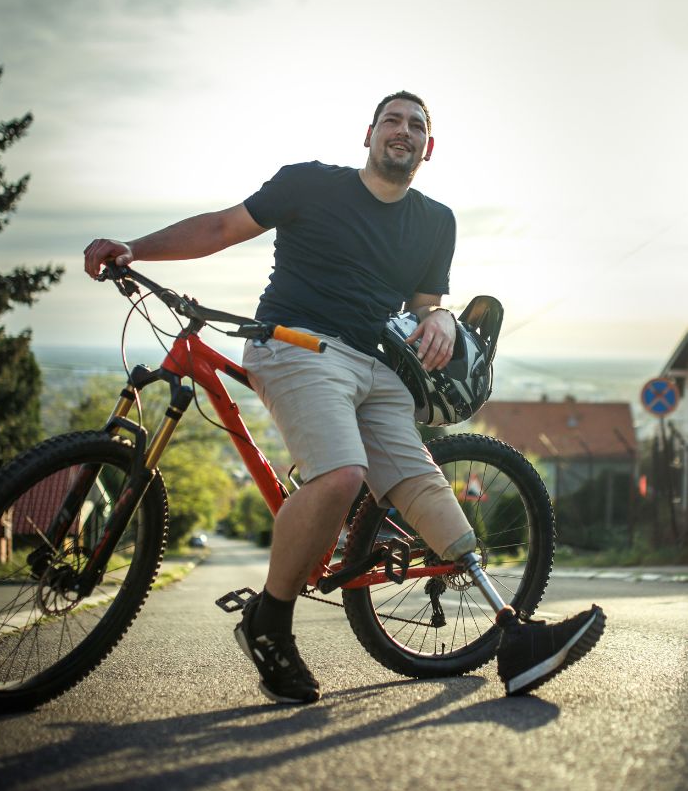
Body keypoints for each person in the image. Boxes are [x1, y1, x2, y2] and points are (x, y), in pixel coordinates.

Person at [84, 91, 605, 705]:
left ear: (427, 148)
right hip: (294, 344)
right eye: (392, 120)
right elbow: (222, 227)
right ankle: (269, 622)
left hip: (378, 368)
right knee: (341, 474)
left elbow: (424, 304)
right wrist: (135, 249)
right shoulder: (308, 184)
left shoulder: (437, 221)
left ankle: (514, 638)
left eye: (417, 125)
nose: (403, 131)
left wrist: (437, 318)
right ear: (369, 134)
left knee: (424, 488)